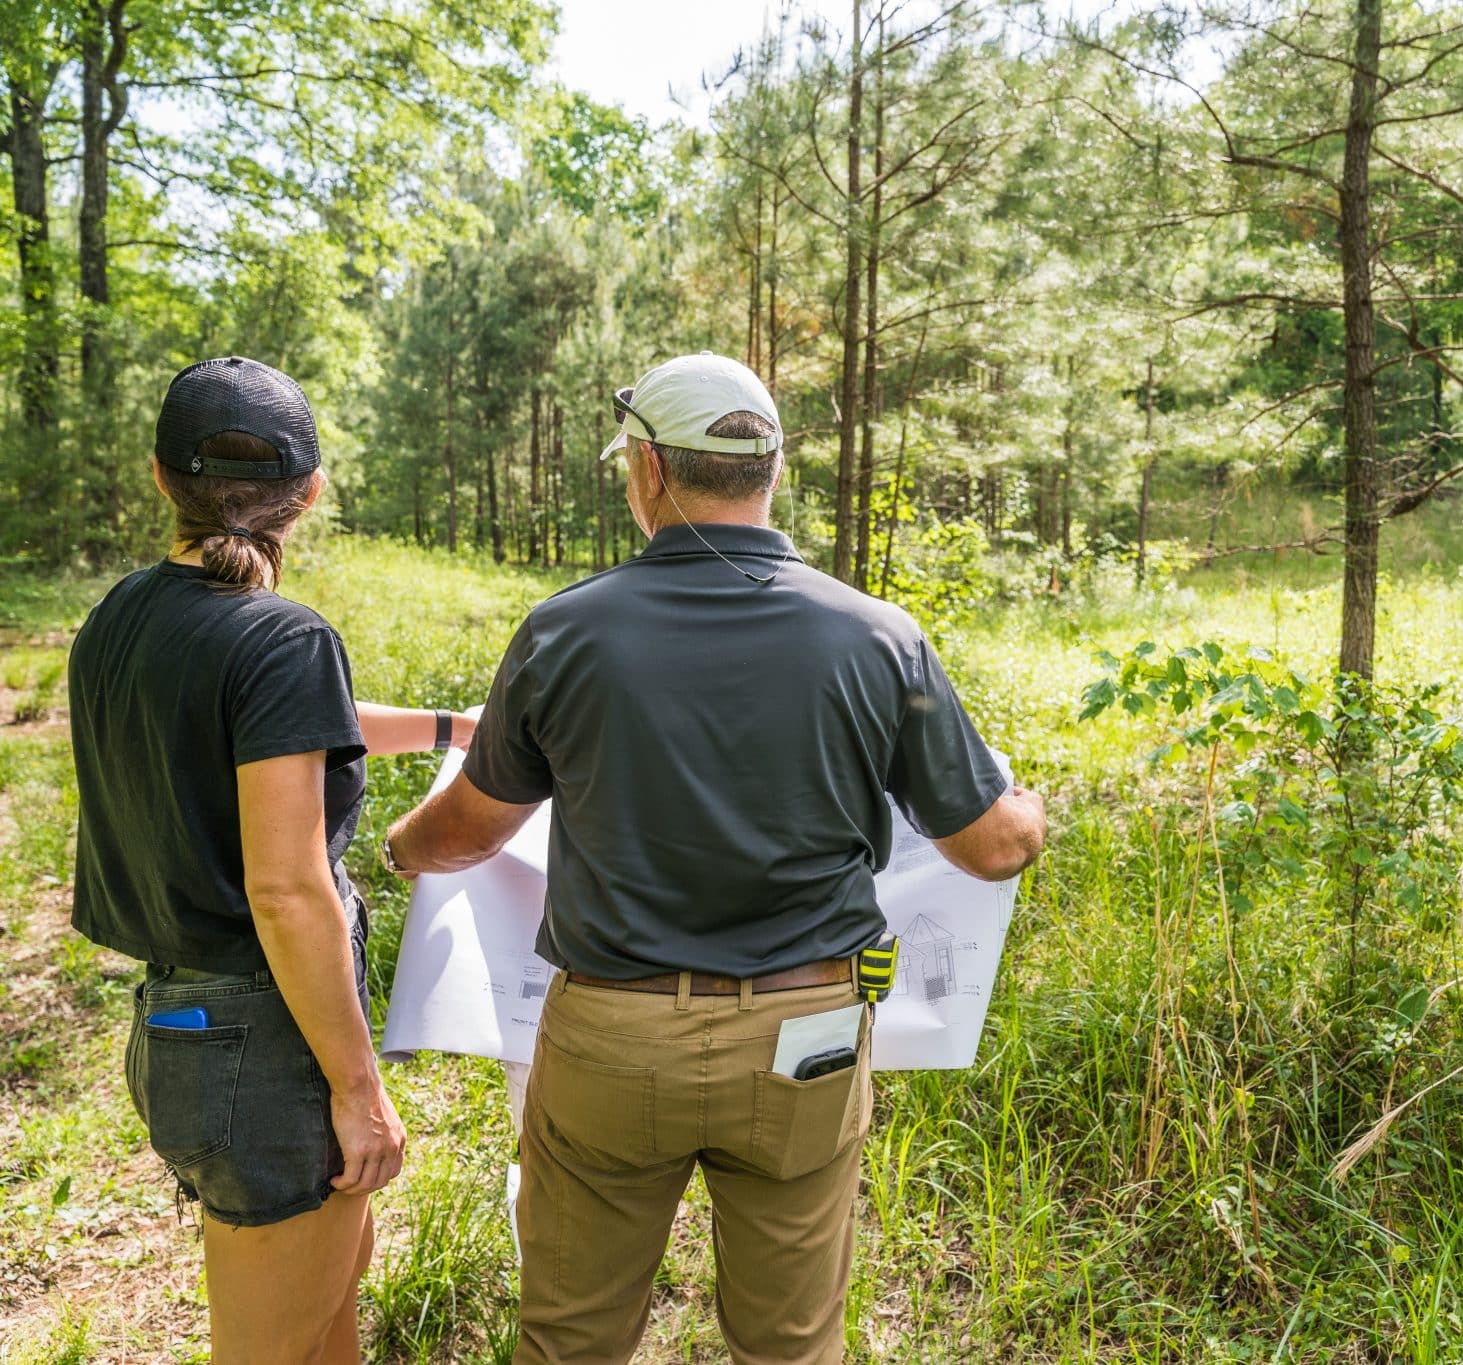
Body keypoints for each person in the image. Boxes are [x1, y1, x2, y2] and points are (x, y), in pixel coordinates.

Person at [383, 352, 1047, 1365]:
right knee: (789, 1342)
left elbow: (472, 831)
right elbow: (994, 849)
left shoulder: (566, 632)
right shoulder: (877, 638)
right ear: (772, 470)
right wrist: (1030, 812)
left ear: (647, 470)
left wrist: (397, 846)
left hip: (612, 1037)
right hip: (806, 1038)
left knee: (570, 1338)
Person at [68, 356, 474, 1365]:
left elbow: (265, 731)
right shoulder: (280, 639)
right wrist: (355, 1086)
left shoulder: (121, 617)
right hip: (266, 1046)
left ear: (160, 477)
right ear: (312, 493)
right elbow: (288, 889)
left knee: (326, 1316)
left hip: (182, 1034)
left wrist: (445, 727)